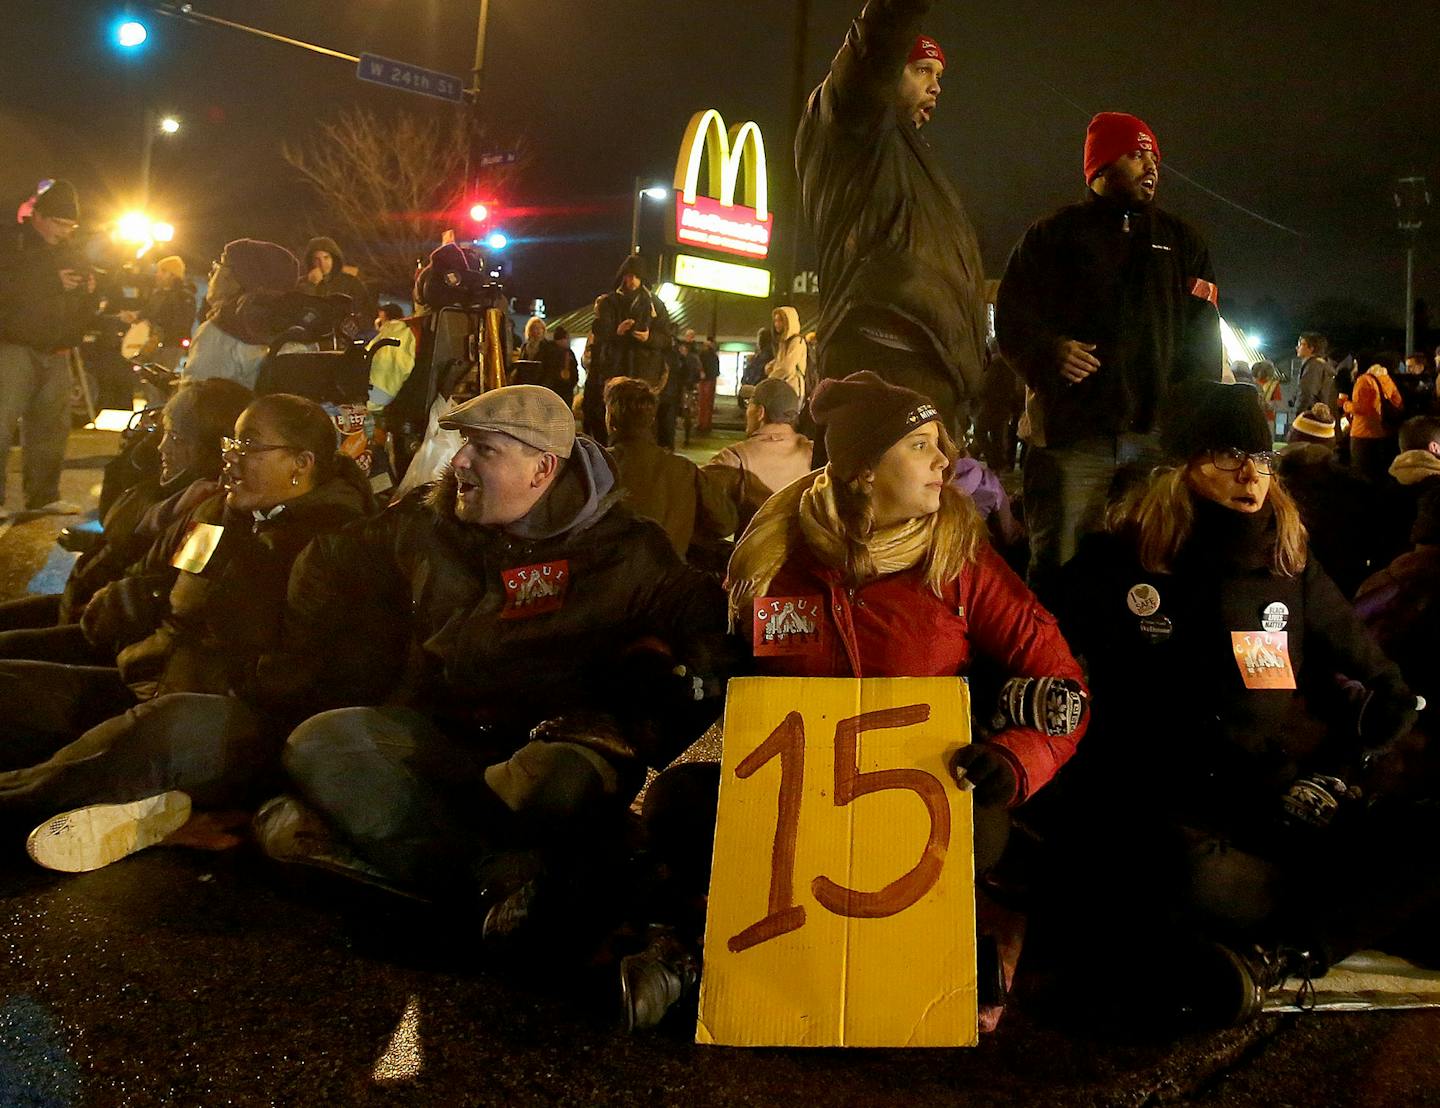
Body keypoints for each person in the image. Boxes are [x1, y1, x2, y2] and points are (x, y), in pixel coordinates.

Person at [622, 371, 1090, 1029]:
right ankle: (706, 949)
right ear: (866, 468)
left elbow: (1063, 685)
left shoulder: (962, 560)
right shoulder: (775, 556)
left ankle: (940, 951)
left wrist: (1013, 761)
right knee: (676, 804)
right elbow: (710, 655)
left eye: (940, 444)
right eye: (921, 445)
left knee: (983, 828)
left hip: (914, 802)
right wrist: (686, 673)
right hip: (796, 802)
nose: (944, 461)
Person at [251, 385, 728, 934]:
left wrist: (645, 725)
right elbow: (327, 559)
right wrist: (343, 661)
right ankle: (497, 886)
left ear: (542, 469)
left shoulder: (626, 549)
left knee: (551, 788)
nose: (459, 462)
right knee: (321, 740)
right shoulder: (427, 522)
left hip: (555, 747)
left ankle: (403, 862)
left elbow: (710, 632)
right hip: (445, 732)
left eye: (484, 449)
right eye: (462, 445)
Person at [1051, 381, 1428, 1027]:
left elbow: (1381, 682)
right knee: (1167, 873)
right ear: (1181, 465)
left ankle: (1280, 951)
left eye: (1259, 457)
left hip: (1274, 800)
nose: (1249, 473)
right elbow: (1039, 646)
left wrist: (1340, 770)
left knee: (1425, 833)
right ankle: (1317, 920)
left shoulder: (1288, 561)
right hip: (1172, 812)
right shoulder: (1121, 558)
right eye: (1227, 454)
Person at [0, 394, 375, 873]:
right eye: (231, 443)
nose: (232, 460)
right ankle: (137, 806)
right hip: (151, 678)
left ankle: (41, 803)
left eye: (250, 447)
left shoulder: (336, 547)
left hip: (226, 724)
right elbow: (171, 576)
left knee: (161, 728)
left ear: (301, 463)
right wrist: (136, 599)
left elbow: (312, 676)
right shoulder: (223, 511)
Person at [996, 112, 1223, 594]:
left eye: (1154, 157)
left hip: (1156, 439)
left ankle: (1131, 666)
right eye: (1136, 155)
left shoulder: (1183, 242)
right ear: (1100, 166)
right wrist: (1048, 353)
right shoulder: (1052, 236)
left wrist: (1193, 421)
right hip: (1073, 438)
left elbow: (1203, 336)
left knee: (1152, 562)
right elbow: (1012, 314)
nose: (1151, 166)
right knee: (1061, 560)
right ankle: (1056, 662)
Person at [798, 10, 987, 457]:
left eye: (939, 75)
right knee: (873, 520)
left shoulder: (909, 160)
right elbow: (877, 38)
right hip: (884, 364)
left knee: (915, 524)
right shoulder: (852, 125)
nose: (936, 85)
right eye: (922, 69)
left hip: (926, 377)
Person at [0, 378, 253, 662]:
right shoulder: (168, 489)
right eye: (163, 433)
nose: (162, 447)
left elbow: (168, 596)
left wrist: (115, 598)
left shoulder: (206, 514)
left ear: (210, 449)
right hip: (88, 604)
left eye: (176, 438)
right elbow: (118, 526)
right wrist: (133, 459)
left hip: (116, 637)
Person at [0, 179, 98, 518]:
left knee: (50, 429)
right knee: (1, 422)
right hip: (14, 344)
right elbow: (7, 285)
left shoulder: (70, 249)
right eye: (60, 223)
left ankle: (43, 496)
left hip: (57, 348)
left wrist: (88, 290)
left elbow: (86, 301)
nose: (65, 231)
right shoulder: (12, 241)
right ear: (39, 216)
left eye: (71, 225)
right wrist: (52, 280)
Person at [605, 377, 736, 558]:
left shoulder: (597, 465)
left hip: (605, 578)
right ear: (651, 420)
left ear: (610, 418)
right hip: (668, 578)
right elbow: (726, 522)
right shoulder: (685, 470)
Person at [183, 239, 300, 390]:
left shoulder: (222, 329)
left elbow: (194, 401)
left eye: (219, 266)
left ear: (235, 278)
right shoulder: (300, 332)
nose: (211, 273)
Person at [703, 377, 814, 535]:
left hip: (754, 554)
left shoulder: (734, 458)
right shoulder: (812, 452)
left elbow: (704, 508)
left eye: (749, 405)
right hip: (805, 555)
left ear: (760, 413)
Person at [583, 255, 672, 444]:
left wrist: (649, 338)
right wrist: (617, 332)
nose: (631, 281)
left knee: (642, 421)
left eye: (635, 277)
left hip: (644, 375)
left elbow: (666, 338)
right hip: (615, 372)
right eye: (628, 276)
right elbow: (599, 332)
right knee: (613, 419)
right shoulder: (609, 302)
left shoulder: (654, 304)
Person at [299, 236, 376, 339]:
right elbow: (300, 311)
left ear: (334, 259)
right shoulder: (303, 283)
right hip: (312, 338)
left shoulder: (350, 282)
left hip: (344, 338)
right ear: (311, 261)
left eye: (326, 257)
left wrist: (353, 328)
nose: (322, 263)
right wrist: (311, 285)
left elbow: (367, 311)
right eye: (317, 259)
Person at [1343, 361, 1404, 483]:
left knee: (1361, 474)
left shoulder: (1364, 380)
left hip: (1362, 433)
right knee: (1379, 474)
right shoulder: (1387, 380)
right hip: (1383, 432)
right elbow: (1398, 403)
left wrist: (1345, 405)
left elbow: (1361, 408)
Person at [143, 255, 198, 375]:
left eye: (162, 271)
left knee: (160, 380)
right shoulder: (159, 294)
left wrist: (160, 333)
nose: (157, 274)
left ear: (173, 274)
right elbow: (148, 314)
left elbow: (181, 322)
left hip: (170, 346)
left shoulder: (183, 296)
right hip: (152, 345)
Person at [765, 307, 808, 403]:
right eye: (775, 320)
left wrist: (770, 379)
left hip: (793, 389)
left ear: (789, 322)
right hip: (783, 388)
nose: (777, 324)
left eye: (780, 320)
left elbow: (786, 367)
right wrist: (770, 366)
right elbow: (780, 362)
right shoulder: (784, 342)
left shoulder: (797, 341)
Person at [1294, 333, 1336, 414]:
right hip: (1321, 415)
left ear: (1311, 348)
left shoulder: (1313, 366)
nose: (1297, 347)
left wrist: (1300, 414)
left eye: (1301, 344)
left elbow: (1307, 393)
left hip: (1312, 417)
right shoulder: (1323, 365)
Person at [697, 336, 721, 434]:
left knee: (703, 403)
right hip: (710, 378)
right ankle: (705, 423)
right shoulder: (713, 355)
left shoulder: (704, 354)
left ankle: (703, 423)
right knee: (707, 403)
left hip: (706, 379)